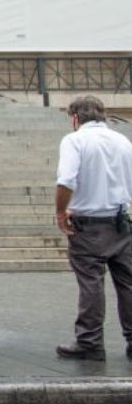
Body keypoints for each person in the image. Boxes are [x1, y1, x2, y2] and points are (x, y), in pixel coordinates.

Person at [53, 95, 132, 361]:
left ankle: (90, 342)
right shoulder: (122, 141)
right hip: (121, 223)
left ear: (75, 118)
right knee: (128, 284)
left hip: (88, 225)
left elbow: (66, 181)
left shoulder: (75, 140)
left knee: (91, 284)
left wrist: (60, 212)